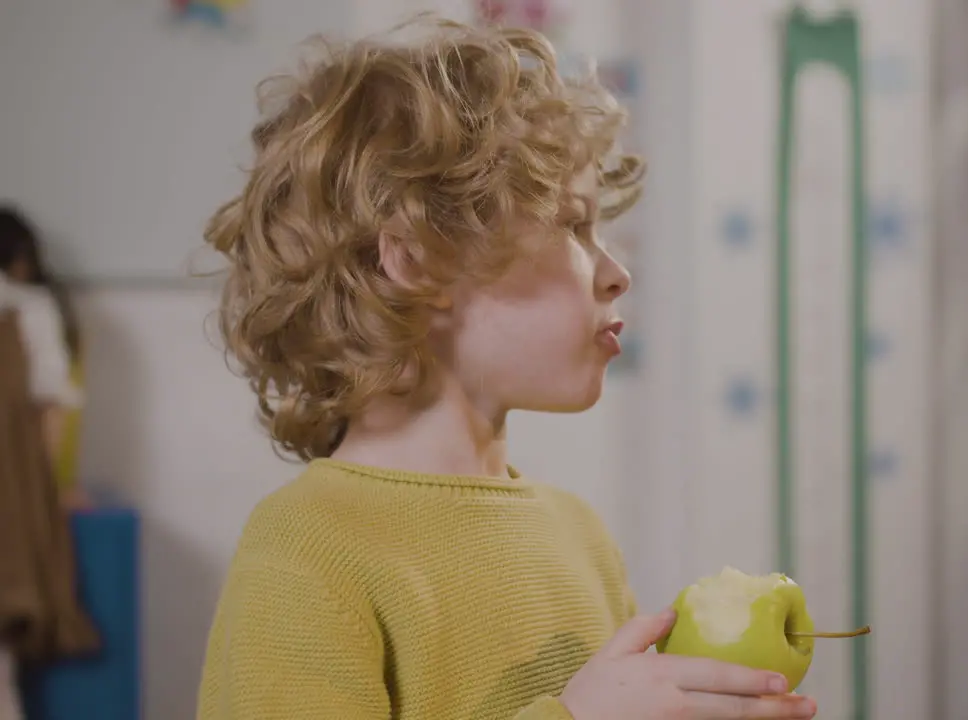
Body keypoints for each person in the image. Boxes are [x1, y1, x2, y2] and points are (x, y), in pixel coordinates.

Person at [195, 15, 818, 720]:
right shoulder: (309, 548)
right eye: (573, 225)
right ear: (419, 260)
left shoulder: (579, 534)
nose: (616, 273)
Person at [0, 207, 87, 509]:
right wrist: (51, 486)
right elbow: (53, 406)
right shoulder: (34, 308)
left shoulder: (30, 309)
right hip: (19, 480)